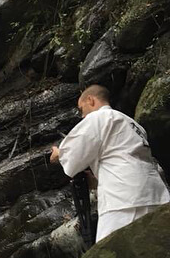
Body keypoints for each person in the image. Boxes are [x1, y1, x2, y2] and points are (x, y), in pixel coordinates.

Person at [50, 85, 170, 241]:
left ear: (90, 100)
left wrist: (59, 154)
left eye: (81, 109)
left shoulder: (98, 118)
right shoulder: (133, 124)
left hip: (123, 201)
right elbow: (121, 157)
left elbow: (72, 158)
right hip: (155, 193)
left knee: (111, 254)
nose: (82, 115)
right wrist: (96, 180)